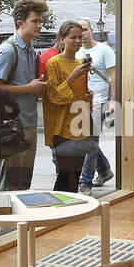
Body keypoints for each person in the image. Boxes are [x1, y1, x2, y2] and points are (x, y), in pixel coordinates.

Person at [0, 0, 48, 190]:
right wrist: (29, 88)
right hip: (14, 128)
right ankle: (4, 221)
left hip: (29, 124)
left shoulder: (30, 50)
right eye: (35, 21)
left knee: (23, 183)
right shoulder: (8, 50)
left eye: (41, 21)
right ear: (20, 23)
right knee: (10, 185)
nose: (40, 25)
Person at [42, 21, 94, 193]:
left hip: (80, 125)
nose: (78, 41)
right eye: (73, 37)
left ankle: (71, 214)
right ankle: (58, 214)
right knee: (65, 175)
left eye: (80, 37)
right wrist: (73, 76)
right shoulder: (53, 63)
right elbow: (54, 96)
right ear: (62, 39)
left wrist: (88, 97)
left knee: (76, 175)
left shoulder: (80, 63)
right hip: (62, 127)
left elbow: (80, 95)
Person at [76, 19, 117, 192]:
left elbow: (114, 76)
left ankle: (85, 182)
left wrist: (113, 100)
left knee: (89, 141)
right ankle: (104, 170)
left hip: (100, 101)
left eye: (85, 29)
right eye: (79, 30)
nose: (83, 33)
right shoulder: (75, 52)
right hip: (80, 104)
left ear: (92, 31)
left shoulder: (104, 50)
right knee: (88, 140)